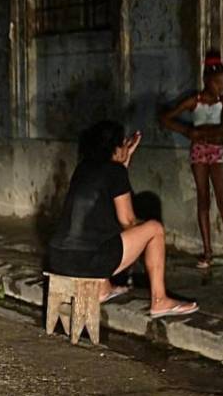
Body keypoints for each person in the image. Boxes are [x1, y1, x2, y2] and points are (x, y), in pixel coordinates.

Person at [47, 120, 198, 317]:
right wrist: (142, 231)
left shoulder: (83, 168)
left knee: (100, 232)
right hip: (84, 262)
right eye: (123, 144)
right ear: (116, 148)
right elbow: (127, 221)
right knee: (154, 229)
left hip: (58, 258)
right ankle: (160, 301)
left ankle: (103, 289)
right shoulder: (115, 171)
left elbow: (105, 199)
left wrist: (123, 163)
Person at [160, 52, 223, 269]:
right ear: (207, 80)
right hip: (199, 151)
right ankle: (207, 252)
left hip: (216, 152)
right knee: (203, 199)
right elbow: (166, 118)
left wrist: (201, 131)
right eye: (218, 83)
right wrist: (188, 130)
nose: (222, 87)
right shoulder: (195, 100)